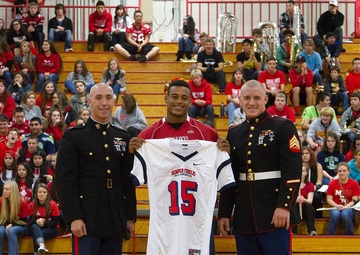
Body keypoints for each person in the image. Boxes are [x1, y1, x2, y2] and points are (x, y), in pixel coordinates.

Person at [128, 79, 231, 255]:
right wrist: (132, 154)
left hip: (198, 224)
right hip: (165, 224)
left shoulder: (207, 134)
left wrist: (225, 151)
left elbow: (225, 173)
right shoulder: (148, 137)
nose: (179, 101)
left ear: (190, 102)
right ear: (165, 98)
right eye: (174, 96)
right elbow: (132, 176)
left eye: (184, 98)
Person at [218, 80, 302, 255]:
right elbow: (230, 176)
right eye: (246, 98)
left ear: (265, 99)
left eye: (257, 98)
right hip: (244, 217)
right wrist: (224, 212)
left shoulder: (283, 127)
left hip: (274, 214)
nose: (251, 103)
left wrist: (284, 206)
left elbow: (292, 170)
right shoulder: (234, 133)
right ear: (239, 100)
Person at [56, 83, 136, 255]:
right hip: (86, 218)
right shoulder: (73, 137)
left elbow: (127, 180)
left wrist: (130, 217)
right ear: (90, 101)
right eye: (98, 98)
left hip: (115, 218)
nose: (104, 103)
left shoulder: (123, 137)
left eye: (108, 97)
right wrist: (74, 217)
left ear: (114, 101)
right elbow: (64, 181)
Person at [326, 162, 360, 235]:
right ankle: (329, 237)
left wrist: (345, 207)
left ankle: (349, 237)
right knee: (335, 215)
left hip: (349, 207)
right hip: (336, 207)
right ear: (337, 172)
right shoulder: (332, 183)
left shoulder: (354, 183)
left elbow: (355, 199)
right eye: (340, 171)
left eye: (344, 171)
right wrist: (336, 205)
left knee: (345, 214)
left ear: (348, 171)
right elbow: (329, 199)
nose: (342, 173)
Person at [28, 183, 60, 254]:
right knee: (34, 226)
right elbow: (30, 222)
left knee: (37, 234)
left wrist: (44, 224)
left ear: (47, 194)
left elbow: (55, 222)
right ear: (36, 193)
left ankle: (37, 251)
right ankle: (41, 245)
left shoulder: (53, 204)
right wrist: (37, 221)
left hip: (51, 229)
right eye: (40, 192)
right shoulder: (32, 205)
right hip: (36, 228)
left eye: (44, 192)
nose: (42, 194)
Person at [0, 181, 28, 255]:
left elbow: (24, 220)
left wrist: (12, 225)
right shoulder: (1, 201)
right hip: (4, 224)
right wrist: (6, 225)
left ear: (13, 191)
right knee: (0, 231)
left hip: (20, 226)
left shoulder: (22, 202)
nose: (4, 191)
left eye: (7, 189)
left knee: (11, 231)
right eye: (4, 189)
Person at [292, 165, 317, 236]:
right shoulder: (293, 184)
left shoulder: (310, 185)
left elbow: (310, 201)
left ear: (306, 173)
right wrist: (296, 200)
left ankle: (312, 230)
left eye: (303, 171)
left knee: (307, 205)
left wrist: (303, 199)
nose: (301, 172)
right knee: (293, 205)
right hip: (296, 208)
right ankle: (293, 231)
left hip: (306, 208)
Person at [301, 146, 323, 218]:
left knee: (316, 197)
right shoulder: (296, 166)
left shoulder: (318, 166)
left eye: (306, 153)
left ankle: (318, 217)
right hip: (301, 188)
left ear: (310, 154)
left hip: (313, 188)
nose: (304, 155)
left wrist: (314, 187)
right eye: (302, 154)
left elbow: (319, 182)